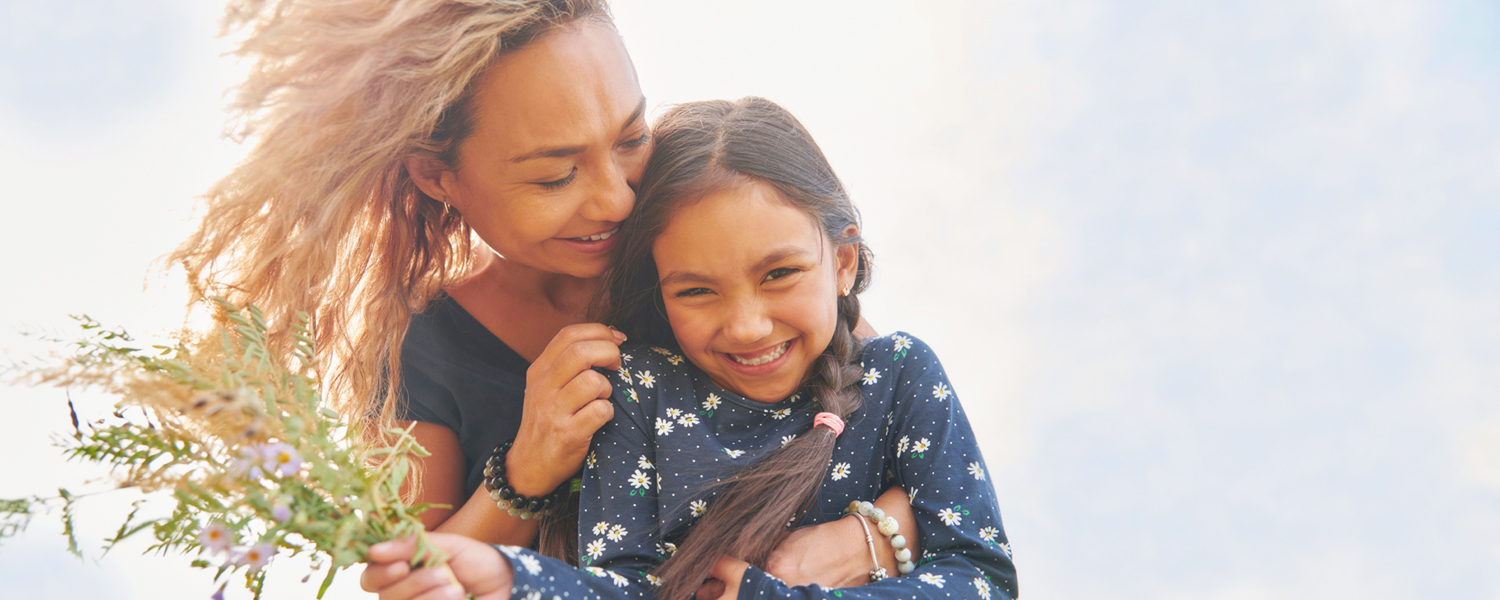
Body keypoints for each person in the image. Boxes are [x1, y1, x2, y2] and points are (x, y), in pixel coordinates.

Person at [173, 0, 914, 583]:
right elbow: (405, 575)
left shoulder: (706, 232)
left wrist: (857, 544)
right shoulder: (422, 351)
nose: (619, 199)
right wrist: (524, 474)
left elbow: (915, 442)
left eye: (630, 138)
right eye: (556, 174)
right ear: (437, 177)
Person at [361, 97, 1018, 600]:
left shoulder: (900, 375)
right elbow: (624, 584)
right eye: (698, 290)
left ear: (843, 262)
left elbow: (980, 572)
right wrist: (512, 576)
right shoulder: (637, 390)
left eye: (778, 274)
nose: (749, 326)